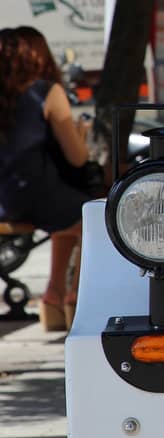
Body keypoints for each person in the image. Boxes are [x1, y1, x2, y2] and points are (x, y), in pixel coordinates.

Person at [0, 28, 92, 331]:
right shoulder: (45, 91)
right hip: (31, 192)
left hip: (4, 198)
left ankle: (53, 294)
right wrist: (81, 133)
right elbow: (78, 157)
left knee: (67, 219)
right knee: (95, 216)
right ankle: (77, 298)